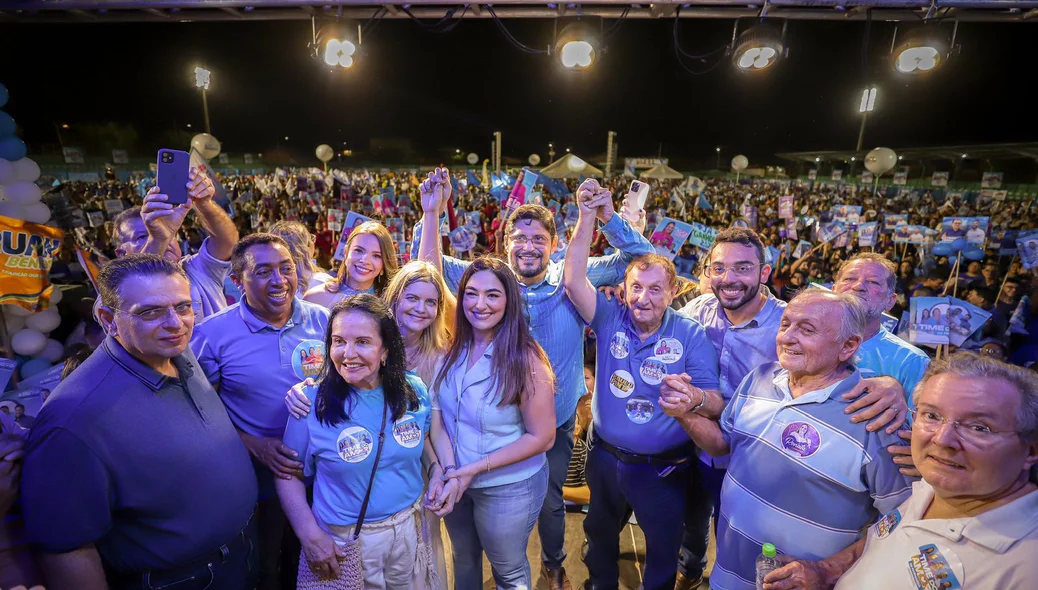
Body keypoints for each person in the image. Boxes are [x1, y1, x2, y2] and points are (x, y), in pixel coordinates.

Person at [417, 169, 653, 590]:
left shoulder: (572, 275)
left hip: (554, 423)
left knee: (551, 504)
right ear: (506, 244)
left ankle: (552, 563)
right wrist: (433, 214)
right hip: (488, 425)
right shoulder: (486, 281)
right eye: (520, 239)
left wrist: (607, 216)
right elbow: (428, 275)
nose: (528, 247)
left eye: (538, 240)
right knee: (481, 525)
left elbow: (639, 261)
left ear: (554, 245)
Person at [676, 231, 909, 590]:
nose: (787, 337)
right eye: (786, 327)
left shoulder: (874, 416)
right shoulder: (758, 377)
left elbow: (905, 518)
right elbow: (724, 442)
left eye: (806, 329)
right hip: (727, 570)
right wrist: (683, 410)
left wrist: (830, 570)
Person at [21, 254, 258, 589]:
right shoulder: (74, 419)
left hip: (240, 555)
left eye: (183, 306)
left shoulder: (175, 350)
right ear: (107, 318)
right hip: (181, 581)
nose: (176, 323)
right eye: (150, 312)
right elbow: (67, 549)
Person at [763, 353, 1038, 589]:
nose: (942, 439)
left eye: (979, 427)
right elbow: (891, 542)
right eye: (931, 415)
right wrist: (826, 572)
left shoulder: (1025, 567)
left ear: (1031, 450)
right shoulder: (936, 488)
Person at [563, 190, 721, 590]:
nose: (643, 298)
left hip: (662, 469)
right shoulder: (609, 315)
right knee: (599, 538)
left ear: (673, 293)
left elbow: (715, 400)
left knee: (662, 550)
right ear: (624, 288)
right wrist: (588, 217)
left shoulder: (690, 334)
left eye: (655, 289)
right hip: (604, 459)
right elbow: (572, 278)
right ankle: (600, 584)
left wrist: (694, 401)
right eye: (636, 287)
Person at [276, 295, 448, 588]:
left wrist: (437, 473)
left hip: (408, 529)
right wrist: (309, 535)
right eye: (339, 341)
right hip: (344, 540)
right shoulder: (308, 403)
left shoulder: (413, 392)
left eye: (363, 342)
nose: (348, 353)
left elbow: (422, 446)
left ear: (385, 351)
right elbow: (287, 475)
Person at [191, 233, 330, 590]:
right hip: (258, 483)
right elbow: (195, 413)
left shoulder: (325, 322)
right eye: (264, 271)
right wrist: (253, 444)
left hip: (326, 477)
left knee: (320, 565)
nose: (280, 280)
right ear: (237, 281)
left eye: (286, 268)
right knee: (267, 568)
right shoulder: (211, 334)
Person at [429, 257, 556, 590]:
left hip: (508, 488)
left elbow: (542, 437)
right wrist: (451, 470)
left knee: (509, 571)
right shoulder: (453, 346)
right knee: (464, 560)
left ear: (509, 300)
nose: (479, 304)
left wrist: (474, 469)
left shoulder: (526, 359)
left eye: (492, 295)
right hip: (457, 479)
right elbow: (440, 418)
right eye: (470, 293)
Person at [110, 169, 238, 319]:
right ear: (121, 254)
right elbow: (139, 283)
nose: (165, 236)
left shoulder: (197, 269)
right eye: (143, 236)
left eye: (168, 230)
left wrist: (204, 203)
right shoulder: (114, 294)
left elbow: (227, 242)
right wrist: (158, 239)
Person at [833, 253, 930, 403]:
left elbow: (918, 423)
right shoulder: (802, 340)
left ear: (890, 301)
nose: (858, 286)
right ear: (833, 291)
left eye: (873, 282)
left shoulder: (912, 361)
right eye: (849, 278)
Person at [304, 221, 398, 308]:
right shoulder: (316, 298)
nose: (365, 260)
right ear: (346, 252)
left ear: (385, 263)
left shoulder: (392, 305)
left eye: (376, 256)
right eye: (358, 250)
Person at [269, 220, 334, 296]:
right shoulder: (325, 284)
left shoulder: (266, 286)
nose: (314, 242)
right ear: (305, 248)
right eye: (311, 239)